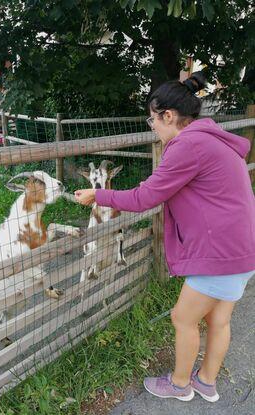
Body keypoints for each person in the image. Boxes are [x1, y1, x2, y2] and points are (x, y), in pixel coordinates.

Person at [74, 71, 255, 402]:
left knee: (182, 318)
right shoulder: (211, 138)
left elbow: (145, 197)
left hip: (220, 253)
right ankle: (207, 382)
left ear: (168, 116)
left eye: (152, 121)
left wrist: (97, 196)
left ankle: (180, 384)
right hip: (242, 248)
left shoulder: (187, 145)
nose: (153, 128)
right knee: (218, 319)